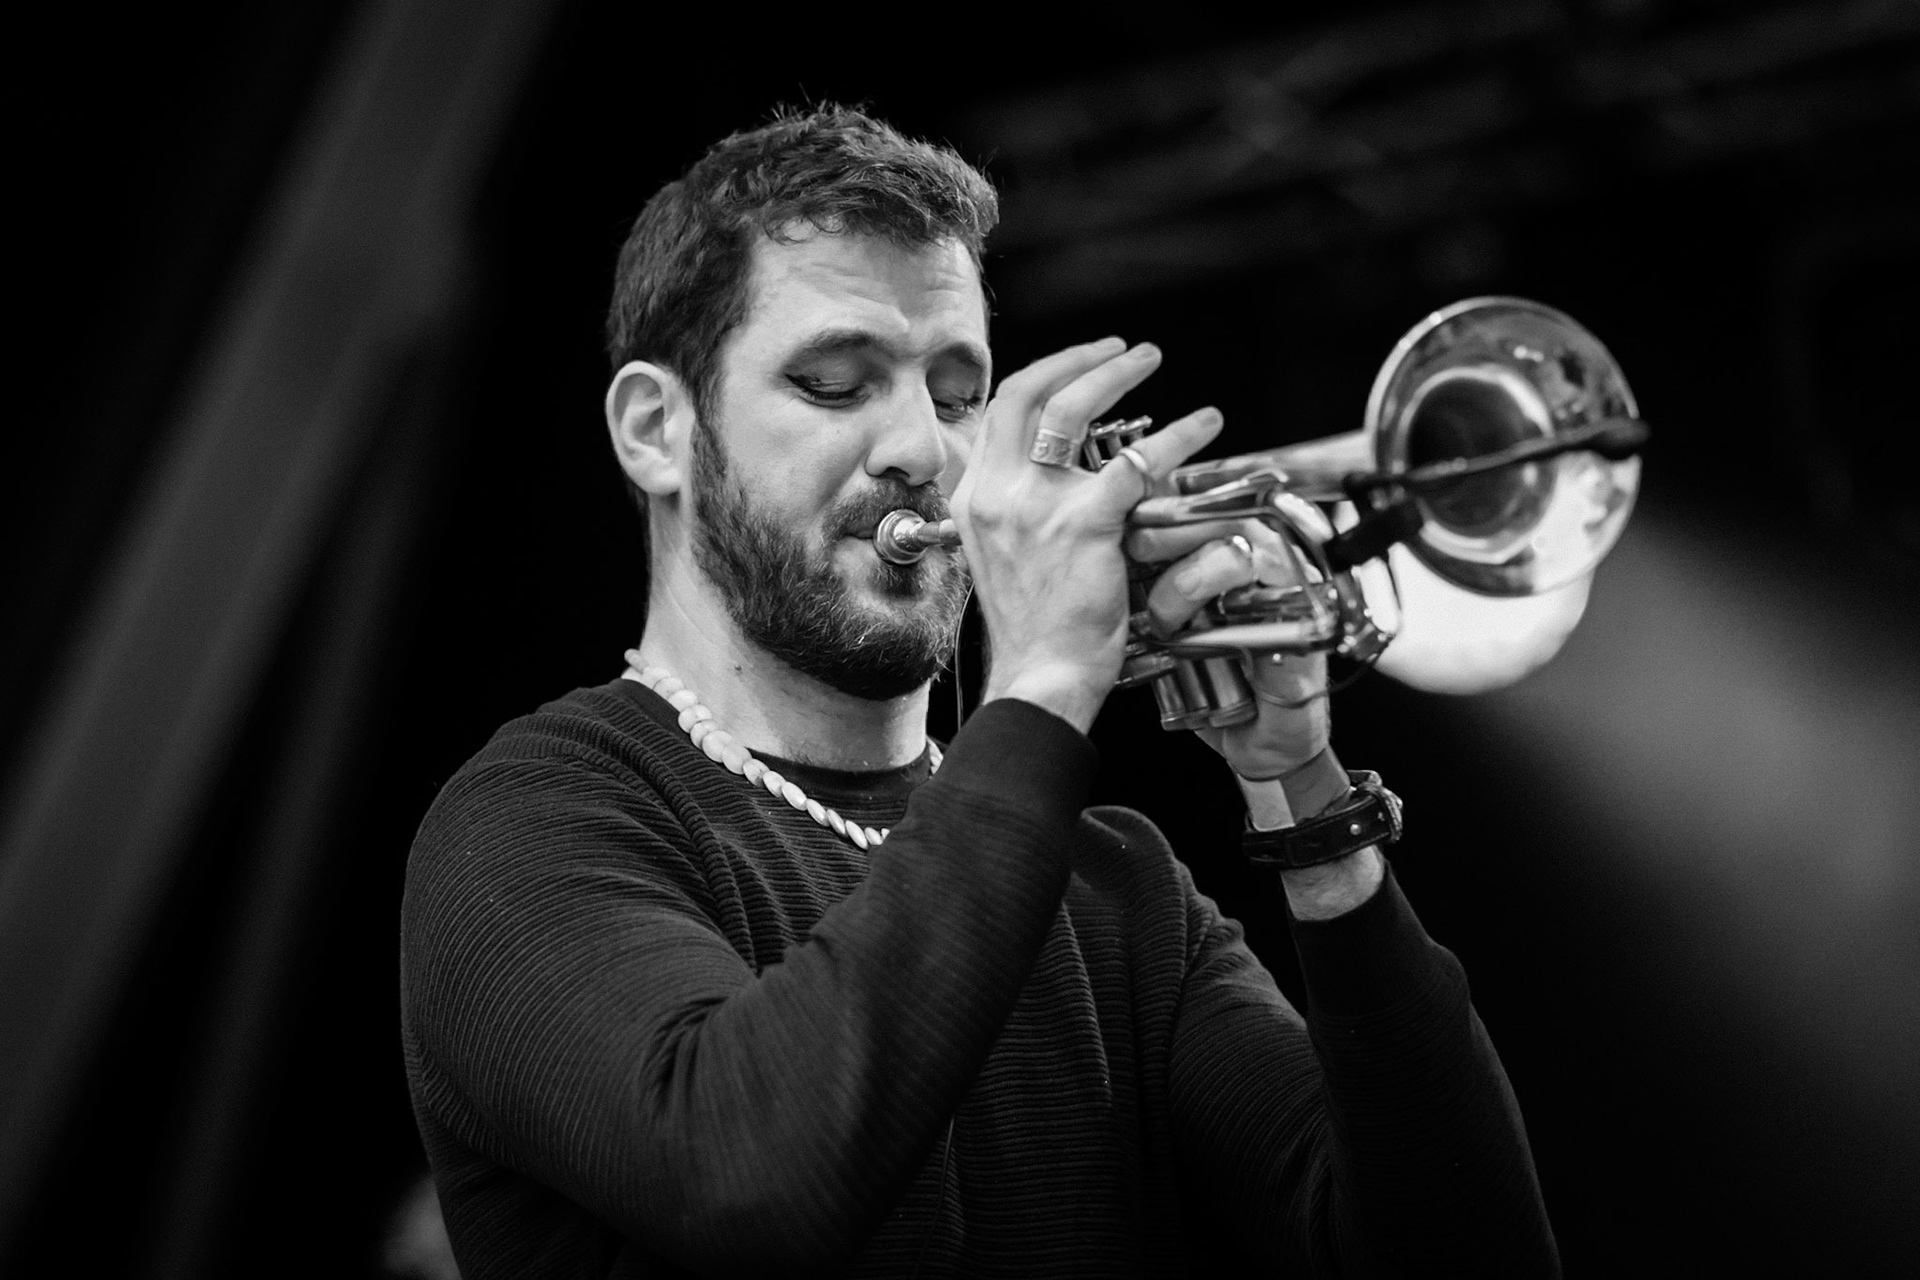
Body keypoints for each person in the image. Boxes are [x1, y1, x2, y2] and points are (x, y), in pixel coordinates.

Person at [400, 104, 1559, 1278]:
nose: (925, 449)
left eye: (959, 396)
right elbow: (750, 1178)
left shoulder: (1117, 887)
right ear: (658, 430)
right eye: (835, 382)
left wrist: (1309, 809)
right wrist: (1050, 676)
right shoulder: (538, 817)